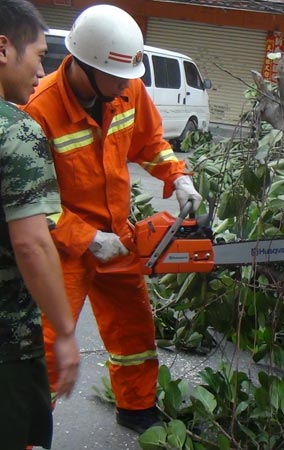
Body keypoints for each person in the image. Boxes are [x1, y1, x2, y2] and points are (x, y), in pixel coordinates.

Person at [22, 4, 202, 434]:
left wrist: (177, 177)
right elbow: (32, 205)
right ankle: (25, 429)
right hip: (63, 246)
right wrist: (86, 237)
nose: (126, 84)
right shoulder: (39, 111)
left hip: (118, 234)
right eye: (117, 76)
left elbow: (150, 143)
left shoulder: (126, 89)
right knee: (48, 345)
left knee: (134, 329)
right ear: (85, 65)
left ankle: (136, 406)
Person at [0, 1, 80, 448]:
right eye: (38, 55)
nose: (41, 70)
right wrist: (65, 333)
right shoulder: (16, 131)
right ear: (3, 48)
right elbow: (32, 245)